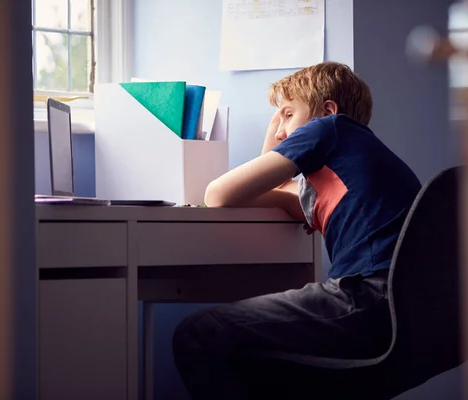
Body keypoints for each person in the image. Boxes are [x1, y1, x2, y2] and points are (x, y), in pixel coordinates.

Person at [172, 61, 422, 399]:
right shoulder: (347, 173)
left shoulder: (330, 128)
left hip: (369, 297)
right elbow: (275, 196)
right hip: (405, 307)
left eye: (287, 115)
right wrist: (282, 128)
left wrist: (275, 142)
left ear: (326, 111)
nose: (280, 130)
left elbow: (218, 195)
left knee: (199, 334)